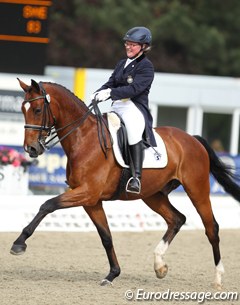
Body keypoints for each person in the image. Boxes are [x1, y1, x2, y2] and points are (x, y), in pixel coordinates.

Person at [91, 26, 156, 194]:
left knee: (133, 132)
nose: (128, 47)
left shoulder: (146, 67)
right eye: (127, 43)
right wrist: (100, 91)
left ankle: (136, 178)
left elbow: (135, 89)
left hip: (134, 107)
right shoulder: (121, 63)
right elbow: (111, 82)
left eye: (133, 45)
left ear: (143, 47)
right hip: (118, 106)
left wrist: (110, 93)